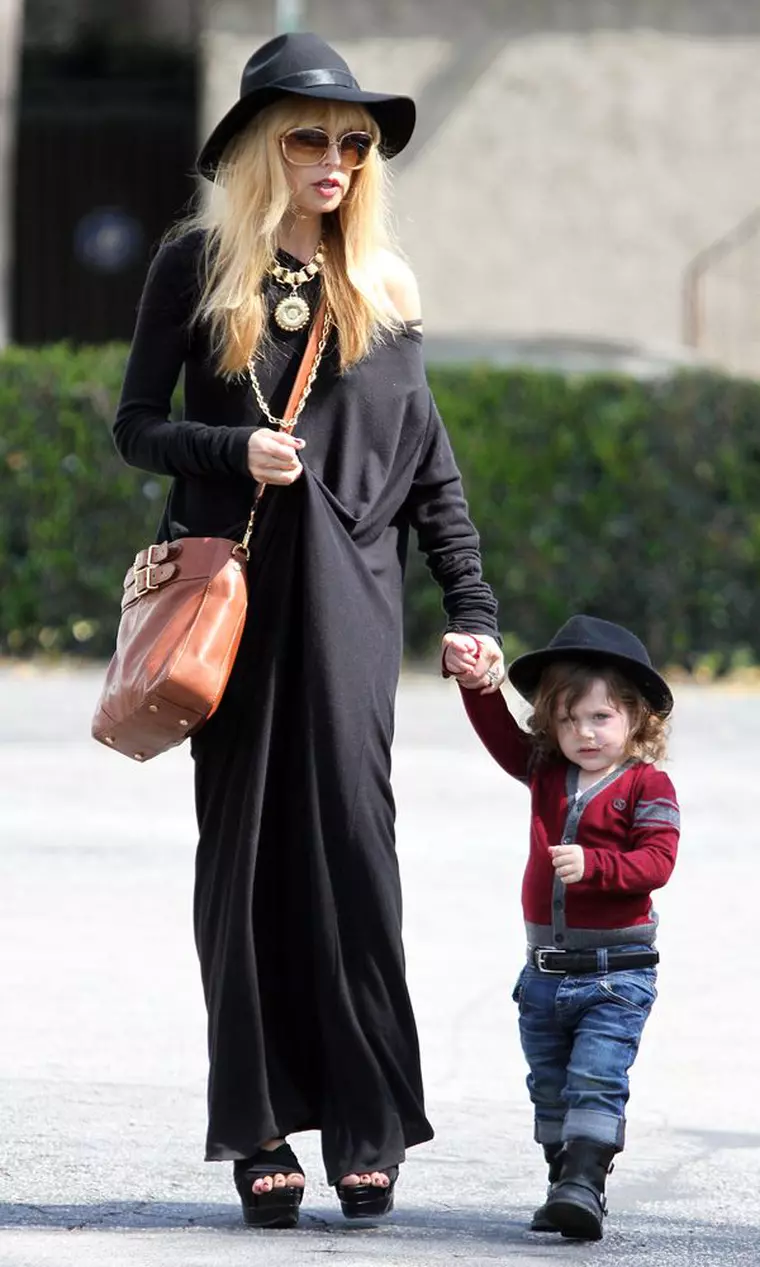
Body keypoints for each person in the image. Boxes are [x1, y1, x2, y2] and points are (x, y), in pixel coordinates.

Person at [112, 31, 504, 1228]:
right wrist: (231, 448)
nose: (334, 158)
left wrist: (472, 609)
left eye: (352, 141)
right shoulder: (194, 268)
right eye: (308, 136)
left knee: (355, 857)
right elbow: (134, 426)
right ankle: (262, 1129)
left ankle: (369, 1124)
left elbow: (430, 469)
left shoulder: (383, 285)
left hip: (351, 614)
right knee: (243, 864)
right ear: (255, 150)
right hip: (234, 608)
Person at [443, 615, 679, 1241]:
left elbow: (658, 863)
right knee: (550, 1090)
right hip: (543, 975)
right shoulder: (547, 773)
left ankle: (584, 1184)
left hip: (616, 975)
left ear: (637, 719)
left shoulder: (647, 784)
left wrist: (596, 865)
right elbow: (499, 736)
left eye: (601, 717)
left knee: (597, 1080)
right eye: (569, 719)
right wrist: (477, 684)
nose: (584, 733)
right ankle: (564, 1182)